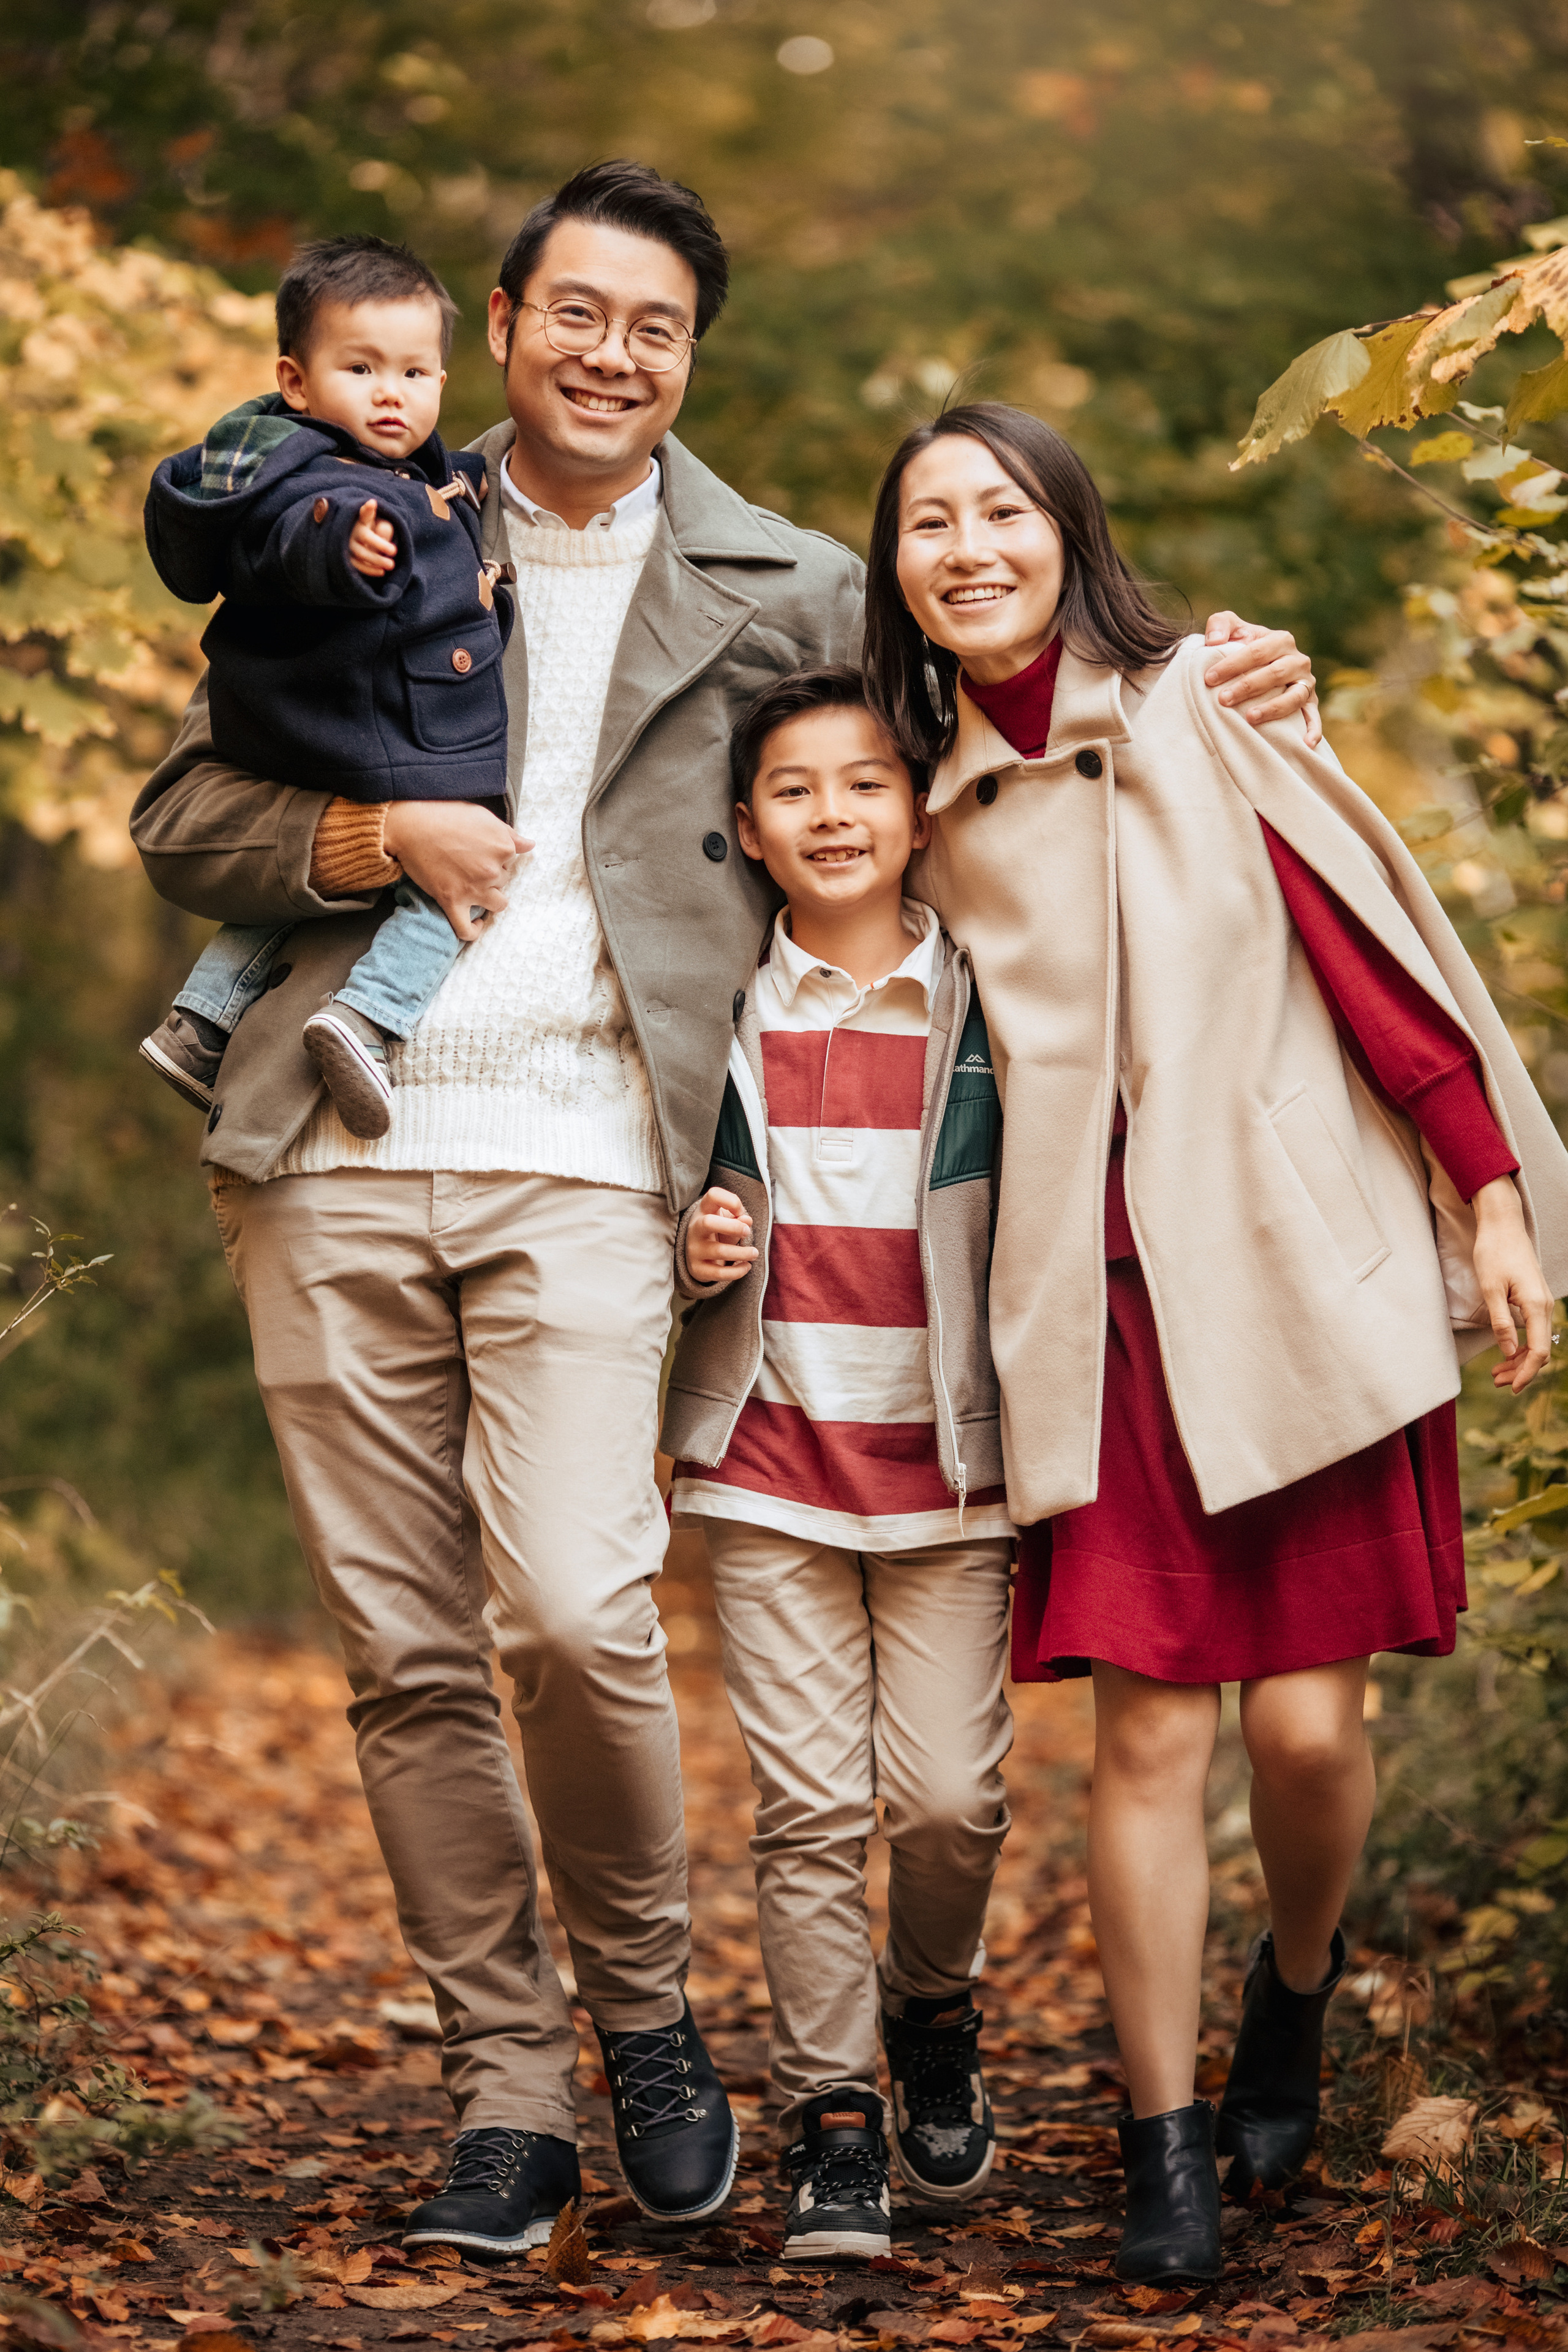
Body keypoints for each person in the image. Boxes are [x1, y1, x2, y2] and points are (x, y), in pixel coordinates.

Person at [129, 156, 1317, 2260]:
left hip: (609, 1156)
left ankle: (654, 2016)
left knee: (580, 1620)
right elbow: (185, 809)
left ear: (691, 355)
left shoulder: (780, 585)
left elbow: (967, 760)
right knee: (407, 1657)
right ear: (501, 324)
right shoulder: (361, 501)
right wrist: (365, 837)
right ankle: (510, 2090)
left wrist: (1207, 685)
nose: (611, 352)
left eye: (655, 325)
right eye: (574, 312)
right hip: (329, 1140)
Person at [858, 399, 1568, 2285]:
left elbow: (1368, 949)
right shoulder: (916, 798)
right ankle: (1161, 2140)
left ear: (1066, 527)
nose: (967, 546)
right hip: (1091, 1309)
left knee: (1314, 1735)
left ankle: (1298, 1988)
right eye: (927, 523)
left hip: (1283, 1265)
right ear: (899, 573)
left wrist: (1488, 1192)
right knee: (1149, 1742)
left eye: (999, 508)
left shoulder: (1208, 699)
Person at [663, 665, 1012, 2261]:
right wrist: (690, 1235)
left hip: (951, 1471)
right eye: (795, 790)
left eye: (867, 782)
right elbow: (642, 1187)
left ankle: (929, 2007)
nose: (834, 814)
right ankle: (833, 2120)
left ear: (919, 809)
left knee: (950, 1800)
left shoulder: (991, 1003)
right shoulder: (713, 1014)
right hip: (768, 1460)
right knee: (808, 1807)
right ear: (747, 829)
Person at [140, 235, 519, 1143]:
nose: (393, 393)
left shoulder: (417, 472)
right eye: (362, 367)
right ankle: (368, 1016)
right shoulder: (314, 475)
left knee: (306, 886)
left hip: (332, 730)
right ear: (297, 381)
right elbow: (282, 539)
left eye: (417, 372)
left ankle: (199, 1019)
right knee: (465, 870)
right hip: (370, 729)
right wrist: (340, 550)